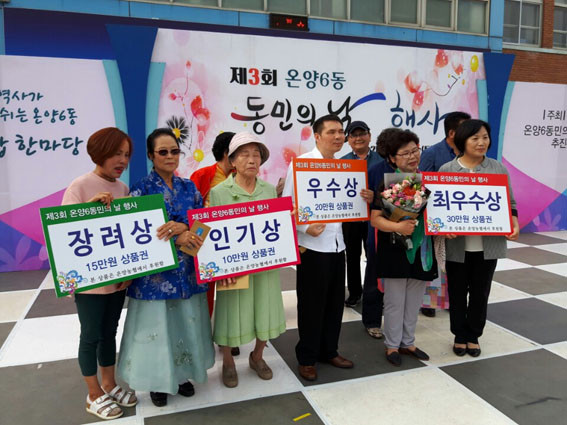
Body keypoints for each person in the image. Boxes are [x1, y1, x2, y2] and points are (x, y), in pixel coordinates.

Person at [117, 128, 214, 407]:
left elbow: (202, 224)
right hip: (154, 278)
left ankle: (182, 375)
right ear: (151, 155)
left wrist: (186, 229)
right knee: (157, 330)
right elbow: (136, 235)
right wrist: (175, 238)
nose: (170, 156)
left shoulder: (189, 187)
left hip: (187, 272)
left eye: (174, 151)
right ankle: (157, 382)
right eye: (163, 152)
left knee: (184, 324)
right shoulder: (140, 190)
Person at [62, 127, 136, 421]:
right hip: (90, 283)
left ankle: (109, 383)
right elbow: (64, 233)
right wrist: (87, 211)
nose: (122, 161)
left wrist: (131, 271)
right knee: (90, 334)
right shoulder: (79, 186)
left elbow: (128, 233)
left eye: (126, 155)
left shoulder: (123, 189)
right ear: (100, 152)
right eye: (117, 153)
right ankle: (93, 394)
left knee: (109, 332)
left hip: (116, 280)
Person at [209, 132, 286, 388]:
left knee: (266, 306)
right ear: (232, 160)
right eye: (244, 154)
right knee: (230, 311)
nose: (252, 160)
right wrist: (219, 268)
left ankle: (257, 356)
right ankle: (228, 362)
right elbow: (211, 231)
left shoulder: (268, 190)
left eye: (256, 155)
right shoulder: (219, 192)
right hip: (234, 267)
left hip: (265, 264)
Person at [282, 114, 355, 382]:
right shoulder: (301, 165)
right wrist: (304, 228)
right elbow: (287, 205)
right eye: (332, 132)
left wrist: (363, 198)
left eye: (341, 132)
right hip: (312, 247)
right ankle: (307, 357)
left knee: (335, 303)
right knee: (311, 305)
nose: (338, 136)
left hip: (337, 245)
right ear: (317, 136)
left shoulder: (345, 167)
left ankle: (329, 350)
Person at [440, 119, 519, 357]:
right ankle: (459, 334)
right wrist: (443, 228)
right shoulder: (447, 170)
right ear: (462, 141)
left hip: (488, 245)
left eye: (485, 137)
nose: (481, 142)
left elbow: (510, 203)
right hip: (456, 245)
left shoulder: (497, 168)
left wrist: (514, 222)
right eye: (475, 138)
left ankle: (473, 335)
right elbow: (438, 207)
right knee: (456, 292)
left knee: (480, 292)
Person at [370, 128, 438, 367]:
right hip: (394, 248)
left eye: (415, 150)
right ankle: (392, 345)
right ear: (392, 158)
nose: (412, 156)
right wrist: (397, 227)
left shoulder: (429, 181)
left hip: (422, 248)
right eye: (405, 153)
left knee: (415, 299)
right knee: (394, 300)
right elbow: (375, 219)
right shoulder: (388, 184)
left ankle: (408, 342)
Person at [190, 131, 241, 356]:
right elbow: (190, 210)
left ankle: (228, 337)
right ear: (227, 153)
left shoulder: (241, 176)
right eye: (240, 151)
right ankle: (202, 338)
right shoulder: (202, 175)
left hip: (235, 240)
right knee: (206, 294)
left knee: (233, 293)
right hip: (206, 241)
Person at [419, 111, 471, 318]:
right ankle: (429, 302)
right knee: (434, 261)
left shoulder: (470, 156)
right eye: (467, 129)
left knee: (459, 262)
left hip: (462, 218)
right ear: (452, 133)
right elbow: (422, 187)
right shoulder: (432, 153)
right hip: (438, 218)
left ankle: (454, 299)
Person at [340, 121, 382, 309]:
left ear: (369, 136)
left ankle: (375, 292)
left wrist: (375, 197)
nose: (358, 138)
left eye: (362, 134)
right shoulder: (342, 162)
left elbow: (390, 190)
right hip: (351, 218)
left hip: (375, 215)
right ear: (348, 140)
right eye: (353, 135)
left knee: (374, 255)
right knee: (352, 254)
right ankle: (355, 292)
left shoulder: (381, 160)